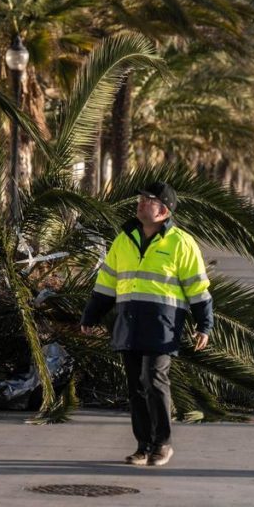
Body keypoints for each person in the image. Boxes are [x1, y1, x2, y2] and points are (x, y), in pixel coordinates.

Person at [80, 181, 213, 467]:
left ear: (164, 210)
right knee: (135, 387)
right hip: (128, 323)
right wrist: (90, 316)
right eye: (140, 198)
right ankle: (143, 446)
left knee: (154, 380)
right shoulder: (123, 239)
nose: (140, 202)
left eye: (148, 199)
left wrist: (204, 325)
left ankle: (163, 443)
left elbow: (198, 289)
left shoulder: (181, 243)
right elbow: (106, 284)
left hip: (162, 325)